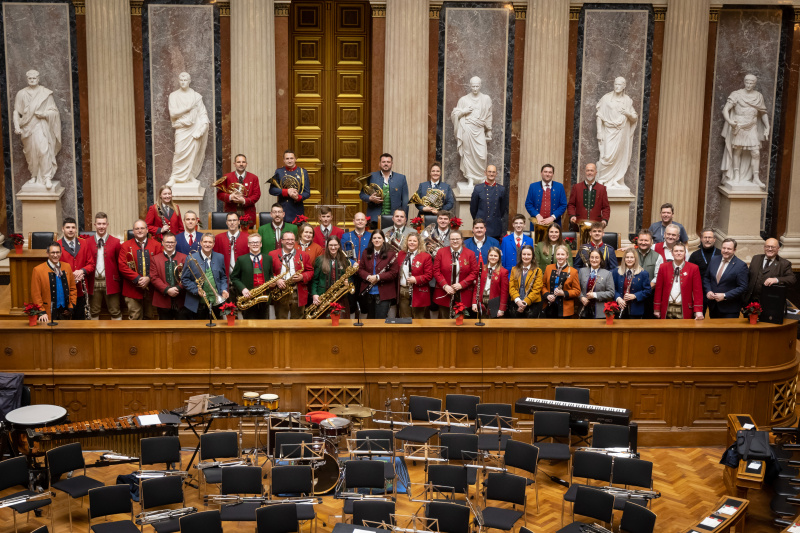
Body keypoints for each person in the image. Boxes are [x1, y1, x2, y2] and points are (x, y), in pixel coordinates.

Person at [721, 74, 770, 189]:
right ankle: (737, 174)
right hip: (739, 126)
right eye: (747, 82)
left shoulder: (758, 96)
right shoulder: (736, 94)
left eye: (751, 83)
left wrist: (767, 126)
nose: (748, 85)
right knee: (737, 151)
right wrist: (729, 121)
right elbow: (725, 110)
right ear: (744, 82)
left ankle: (756, 178)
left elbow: (763, 112)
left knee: (756, 152)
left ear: (755, 84)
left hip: (752, 127)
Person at [13, 70, 61, 189]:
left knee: (43, 150)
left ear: (38, 79)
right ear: (27, 79)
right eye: (30, 78)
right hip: (27, 127)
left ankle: (47, 177)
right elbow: (16, 112)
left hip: (41, 126)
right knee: (31, 153)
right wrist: (16, 126)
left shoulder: (45, 93)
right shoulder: (21, 94)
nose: (32, 80)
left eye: (34, 78)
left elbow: (54, 111)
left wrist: (44, 114)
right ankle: (33, 175)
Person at [166, 72, 210, 186]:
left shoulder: (196, 96)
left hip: (194, 129)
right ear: (178, 81)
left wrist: (202, 129)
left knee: (193, 154)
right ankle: (174, 177)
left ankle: (189, 175)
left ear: (189, 81)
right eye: (181, 80)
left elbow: (202, 114)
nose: (183, 82)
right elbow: (173, 113)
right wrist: (188, 108)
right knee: (179, 152)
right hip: (182, 128)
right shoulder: (173, 95)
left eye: (185, 80)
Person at [595, 77, 638, 189]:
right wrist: (599, 132)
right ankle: (602, 179)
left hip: (622, 133)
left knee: (620, 156)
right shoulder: (606, 98)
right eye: (615, 84)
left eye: (620, 84)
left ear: (624, 86)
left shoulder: (627, 100)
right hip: (608, 131)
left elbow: (634, 118)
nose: (617, 86)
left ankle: (616, 179)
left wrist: (627, 113)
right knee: (607, 156)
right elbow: (599, 116)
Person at [451, 76, 493, 186]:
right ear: (470, 86)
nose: (475, 88)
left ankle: (480, 178)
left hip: (479, 130)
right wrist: (463, 112)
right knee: (468, 154)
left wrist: (488, 129)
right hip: (467, 129)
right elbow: (455, 114)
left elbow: (489, 115)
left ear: (480, 86)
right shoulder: (463, 100)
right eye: (473, 86)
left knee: (482, 155)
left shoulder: (486, 99)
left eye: (477, 86)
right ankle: (470, 179)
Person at [119, 219, 163, 320]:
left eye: (142, 228)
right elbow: (122, 266)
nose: (140, 230)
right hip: (132, 288)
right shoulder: (125, 246)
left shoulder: (157, 245)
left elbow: (160, 266)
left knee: (150, 318)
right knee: (135, 318)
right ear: (133, 231)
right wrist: (138, 278)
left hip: (152, 287)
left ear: (147, 230)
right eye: (137, 228)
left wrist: (149, 278)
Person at [84, 212, 122, 320]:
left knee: (115, 310)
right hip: (93, 282)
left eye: (104, 224)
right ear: (95, 224)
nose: (101, 226)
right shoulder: (86, 242)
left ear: (107, 224)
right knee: (93, 311)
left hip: (111, 282)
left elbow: (119, 264)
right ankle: (94, 336)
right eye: (99, 224)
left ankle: (116, 336)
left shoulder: (115, 242)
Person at [181, 233, 228, 319]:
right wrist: (196, 290)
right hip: (197, 305)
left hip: (215, 303)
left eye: (210, 242)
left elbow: (223, 277)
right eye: (205, 242)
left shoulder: (220, 257)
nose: (207, 244)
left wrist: (224, 289)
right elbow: (185, 279)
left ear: (213, 244)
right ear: (201, 243)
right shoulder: (191, 258)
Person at [268, 231, 314, 319]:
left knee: (298, 322)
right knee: (281, 320)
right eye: (287, 239)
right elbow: (268, 272)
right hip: (280, 292)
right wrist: (276, 280)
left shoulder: (304, 255)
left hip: (297, 291)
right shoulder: (272, 254)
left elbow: (310, 271)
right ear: (282, 241)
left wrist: (302, 277)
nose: (290, 242)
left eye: (292, 239)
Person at [433, 231, 477, 319]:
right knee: (444, 321)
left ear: (462, 240)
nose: (455, 241)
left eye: (457, 239)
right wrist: (445, 286)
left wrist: (462, 284)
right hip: (444, 292)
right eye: (452, 239)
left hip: (463, 293)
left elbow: (474, 272)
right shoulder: (441, 252)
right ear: (449, 240)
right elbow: (436, 271)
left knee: (460, 322)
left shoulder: (470, 254)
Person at [653, 242, 704, 320]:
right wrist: (657, 308)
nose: (678, 253)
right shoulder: (663, 267)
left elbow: (697, 291)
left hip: (685, 307)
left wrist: (698, 310)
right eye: (676, 251)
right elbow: (659, 289)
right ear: (672, 253)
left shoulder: (693, 268)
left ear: (685, 253)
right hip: (667, 307)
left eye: (681, 251)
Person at [59, 217, 95, 321]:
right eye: (68, 227)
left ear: (76, 229)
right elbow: (53, 267)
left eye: (73, 227)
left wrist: (82, 271)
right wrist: (70, 275)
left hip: (81, 290)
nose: (70, 230)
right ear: (63, 229)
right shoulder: (57, 245)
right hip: (64, 290)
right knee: (65, 319)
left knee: (80, 319)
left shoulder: (84, 243)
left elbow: (91, 264)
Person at [704, 238, 749, 318]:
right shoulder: (714, 259)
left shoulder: (741, 265)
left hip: (730, 309)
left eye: (729, 249)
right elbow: (707, 278)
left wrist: (725, 295)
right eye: (724, 248)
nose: (725, 251)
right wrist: (708, 291)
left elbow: (743, 287)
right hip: (713, 306)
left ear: (734, 250)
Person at [231, 233, 273, 320]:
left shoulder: (268, 259)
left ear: (261, 244)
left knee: (265, 327)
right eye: (252, 242)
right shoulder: (241, 259)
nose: (255, 244)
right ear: (248, 244)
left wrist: (273, 282)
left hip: (264, 299)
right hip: (248, 299)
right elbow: (234, 277)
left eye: (257, 242)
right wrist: (243, 289)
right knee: (249, 327)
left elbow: (271, 275)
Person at [358, 231, 399, 319]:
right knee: (370, 319)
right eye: (374, 238)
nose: (377, 240)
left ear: (383, 239)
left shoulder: (391, 253)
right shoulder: (366, 252)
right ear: (371, 240)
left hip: (384, 292)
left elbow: (394, 272)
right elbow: (360, 269)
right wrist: (368, 277)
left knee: (380, 319)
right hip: (368, 291)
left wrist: (378, 277)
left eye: (379, 238)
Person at [31, 242, 76, 322]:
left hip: (65, 312)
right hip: (48, 313)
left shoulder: (67, 266)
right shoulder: (38, 270)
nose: (55, 255)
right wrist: (42, 311)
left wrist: (71, 306)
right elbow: (36, 294)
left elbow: (73, 288)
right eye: (53, 252)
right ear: (48, 253)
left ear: (61, 253)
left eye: (57, 252)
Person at [311, 235, 352, 317]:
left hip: (340, 297)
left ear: (339, 246)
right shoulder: (320, 259)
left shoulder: (345, 260)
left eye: (335, 245)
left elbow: (349, 277)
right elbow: (315, 280)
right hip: (323, 297)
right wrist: (314, 294)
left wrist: (348, 282)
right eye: (331, 245)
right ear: (327, 246)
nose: (333, 248)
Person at [361, 153, 409, 222]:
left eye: (388, 162)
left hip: (395, 218)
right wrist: (370, 198)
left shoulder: (401, 178)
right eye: (383, 162)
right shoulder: (371, 176)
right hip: (374, 218)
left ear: (392, 163)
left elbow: (405, 200)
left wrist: (404, 218)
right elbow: (362, 194)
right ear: (379, 163)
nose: (386, 164)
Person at [744, 238, 796, 304]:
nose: (770, 249)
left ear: (778, 248)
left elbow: (792, 279)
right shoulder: (756, 258)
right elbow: (748, 278)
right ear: (764, 247)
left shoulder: (784, 263)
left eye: (773, 247)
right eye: (767, 246)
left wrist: (776, 279)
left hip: (770, 303)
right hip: (750, 302)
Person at [150, 232, 187, 320]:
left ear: (175, 243)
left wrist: (178, 288)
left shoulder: (184, 257)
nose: (169, 244)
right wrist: (167, 290)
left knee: (181, 329)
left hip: (181, 299)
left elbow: (187, 277)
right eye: (167, 242)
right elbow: (154, 278)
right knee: (164, 330)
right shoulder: (155, 259)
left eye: (172, 242)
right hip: (162, 300)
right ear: (162, 243)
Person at [269, 150, 311, 224]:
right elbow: (272, 190)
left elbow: (307, 193)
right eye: (287, 159)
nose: (289, 161)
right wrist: (286, 191)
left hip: (297, 209)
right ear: (284, 160)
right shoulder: (279, 172)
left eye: (291, 158)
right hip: (283, 208)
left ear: (295, 159)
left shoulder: (303, 172)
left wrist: (298, 197)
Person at [397, 233, 433, 319]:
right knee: (404, 319)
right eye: (410, 240)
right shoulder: (401, 254)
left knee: (419, 320)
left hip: (419, 292)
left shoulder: (425, 256)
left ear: (419, 243)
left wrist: (416, 279)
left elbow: (429, 275)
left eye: (414, 241)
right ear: (406, 242)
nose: (412, 243)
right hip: (403, 291)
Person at [342, 212, 372, 315]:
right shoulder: (346, 236)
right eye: (358, 219)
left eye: (362, 220)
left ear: (366, 221)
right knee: (351, 303)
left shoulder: (371, 236)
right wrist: (352, 263)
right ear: (353, 221)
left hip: (366, 274)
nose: (360, 221)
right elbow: (343, 254)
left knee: (365, 304)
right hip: (351, 274)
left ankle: (363, 328)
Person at [216, 154, 261, 222]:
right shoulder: (227, 177)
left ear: (246, 164)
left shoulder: (254, 177)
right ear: (234, 164)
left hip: (248, 213)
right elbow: (219, 194)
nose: (241, 164)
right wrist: (230, 197)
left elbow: (257, 195)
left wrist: (244, 201)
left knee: (247, 232)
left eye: (243, 162)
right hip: (231, 213)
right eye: (238, 162)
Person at [542, 245, 581, 319]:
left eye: (562, 254)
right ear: (555, 255)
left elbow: (577, 291)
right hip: (549, 307)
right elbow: (543, 285)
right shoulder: (548, 268)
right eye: (558, 254)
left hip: (566, 310)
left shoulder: (573, 271)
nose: (560, 257)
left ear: (567, 256)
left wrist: (564, 293)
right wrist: (547, 295)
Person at [470, 165, 508, 240]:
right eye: (489, 172)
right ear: (485, 173)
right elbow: (473, 208)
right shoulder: (478, 188)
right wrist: (478, 220)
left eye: (493, 172)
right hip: (480, 226)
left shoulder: (501, 189)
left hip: (495, 226)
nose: (491, 174)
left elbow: (502, 209)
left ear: (496, 174)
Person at [525, 164, 567, 230]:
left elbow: (563, 205)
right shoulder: (533, 186)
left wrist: (553, 217)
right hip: (537, 223)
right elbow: (528, 204)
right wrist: (537, 215)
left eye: (550, 172)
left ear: (553, 174)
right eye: (545, 172)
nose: (547, 174)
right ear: (541, 173)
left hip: (554, 225)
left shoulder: (559, 187)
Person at [567, 163, 610, 228]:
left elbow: (606, 207)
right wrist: (572, 215)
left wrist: (604, 220)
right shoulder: (576, 187)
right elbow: (571, 205)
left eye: (592, 170)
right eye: (588, 170)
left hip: (596, 225)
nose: (589, 173)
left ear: (596, 172)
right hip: (579, 224)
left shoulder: (602, 189)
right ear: (585, 172)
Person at [613, 248, 652, 319]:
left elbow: (648, 291)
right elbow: (612, 289)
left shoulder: (643, 273)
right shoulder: (616, 272)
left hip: (636, 310)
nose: (629, 259)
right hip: (619, 308)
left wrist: (635, 296)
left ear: (635, 259)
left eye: (632, 257)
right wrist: (618, 298)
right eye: (627, 257)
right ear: (624, 259)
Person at [688, 228, 720, 315]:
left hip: (716, 292)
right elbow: (689, 275)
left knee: (717, 321)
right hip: (699, 292)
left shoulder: (721, 254)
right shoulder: (694, 255)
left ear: (714, 239)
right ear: (701, 239)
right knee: (697, 318)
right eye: (705, 237)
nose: (707, 240)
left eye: (710, 237)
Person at [578, 249, 615, 319]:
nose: (594, 260)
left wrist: (595, 295)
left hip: (600, 312)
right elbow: (577, 288)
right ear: (589, 259)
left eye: (597, 257)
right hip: (584, 310)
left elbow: (611, 293)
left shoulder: (607, 274)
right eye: (592, 257)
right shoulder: (582, 271)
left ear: (601, 259)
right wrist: (581, 297)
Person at [508, 245, 543, 318]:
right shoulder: (514, 269)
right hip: (516, 304)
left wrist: (525, 303)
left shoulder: (538, 271)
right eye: (524, 254)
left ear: (532, 256)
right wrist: (518, 301)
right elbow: (512, 287)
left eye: (529, 254)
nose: (526, 257)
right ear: (520, 255)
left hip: (533, 306)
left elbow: (536, 290)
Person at [472, 247, 508, 318]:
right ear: (488, 256)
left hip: (495, 304)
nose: (493, 257)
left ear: (499, 258)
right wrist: (474, 303)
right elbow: (476, 287)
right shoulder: (481, 269)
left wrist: (502, 308)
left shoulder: (503, 272)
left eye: (495, 256)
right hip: (481, 303)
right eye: (491, 255)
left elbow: (504, 292)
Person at [213, 212, 249, 284]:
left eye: (234, 220)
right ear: (226, 222)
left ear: (239, 222)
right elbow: (215, 259)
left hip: (243, 278)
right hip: (224, 279)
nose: (232, 223)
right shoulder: (218, 238)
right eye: (229, 220)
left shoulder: (247, 237)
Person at [635, 229, 662, 319]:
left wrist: (645, 290)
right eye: (641, 240)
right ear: (637, 240)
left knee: (648, 321)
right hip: (632, 295)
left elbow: (658, 276)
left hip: (650, 295)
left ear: (651, 242)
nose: (643, 242)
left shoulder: (657, 256)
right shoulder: (631, 254)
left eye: (646, 240)